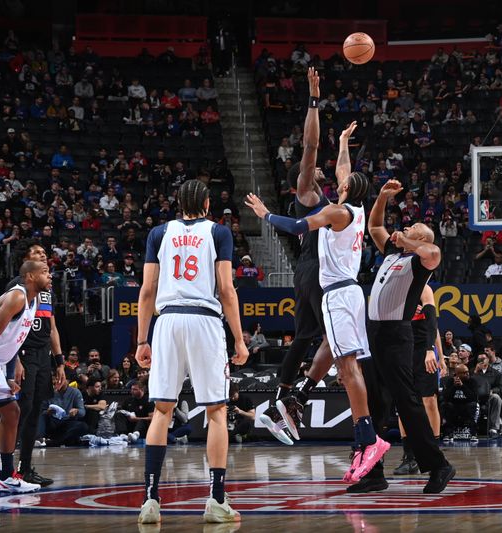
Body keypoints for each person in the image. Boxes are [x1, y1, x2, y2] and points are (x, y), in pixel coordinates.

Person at [246, 154, 389, 486]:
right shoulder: (356, 209)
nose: (339, 179)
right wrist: (341, 143)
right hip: (351, 292)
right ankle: (302, 394)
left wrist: (265, 214)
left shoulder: (335, 211)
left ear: (345, 188)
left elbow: (296, 226)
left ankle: (368, 438)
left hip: (338, 293)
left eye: (343, 180)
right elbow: (344, 171)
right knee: (334, 349)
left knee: (348, 369)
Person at [135, 179, 249, 525]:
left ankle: (151, 500)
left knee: (161, 410)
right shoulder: (219, 232)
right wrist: (240, 339)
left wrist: (142, 340)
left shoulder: (159, 233)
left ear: (178, 204)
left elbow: (147, 290)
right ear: (208, 204)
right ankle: (215, 500)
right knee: (216, 411)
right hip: (203, 320)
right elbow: (227, 290)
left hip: (167, 322)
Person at [352, 178, 455, 494]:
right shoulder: (393, 253)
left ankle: (439, 465)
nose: (405, 229)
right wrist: (382, 197)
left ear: (419, 237)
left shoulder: (419, 261)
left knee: (407, 402)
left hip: (397, 335)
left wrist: (410, 242)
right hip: (374, 333)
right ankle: (373, 471)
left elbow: (434, 251)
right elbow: (374, 227)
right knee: (373, 405)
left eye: (412, 229)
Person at [255, 68, 337, 447]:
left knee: (303, 337)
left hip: (308, 270)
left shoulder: (319, 198)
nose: (319, 165)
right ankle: (300, 396)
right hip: (319, 270)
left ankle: (277, 403)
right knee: (336, 341)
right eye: (313, 168)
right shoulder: (307, 191)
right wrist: (314, 99)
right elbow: (310, 145)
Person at [0, 260, 51, 499]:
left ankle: (6, 477)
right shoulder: (17, 297)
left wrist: (7, 375)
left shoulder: (34, 302)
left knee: (12, 412)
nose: (50, 276)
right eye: (45, 272)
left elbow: (14, 340)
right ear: (31, 277)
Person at [5, 243, 66, 486]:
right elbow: (8, 327)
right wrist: (15, 358)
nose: (43, 255)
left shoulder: (48, 291)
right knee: (22, 409)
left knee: (34, 411)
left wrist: (59, 362)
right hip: (23, 352)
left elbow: (52, 328)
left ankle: (25, 468)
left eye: (44, 252)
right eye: (37, 253)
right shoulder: (17, 287)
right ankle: (7, 470)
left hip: (42, 355)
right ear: (27, 263)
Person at [393, 285, 447, 475]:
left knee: (429, 400)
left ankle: (434, 453)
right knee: (403, 403)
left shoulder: (424, 290)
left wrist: (440, 357)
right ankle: (409, 457)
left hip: (424, 351)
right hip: (403, 349)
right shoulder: (396, 292)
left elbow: (434, 327)